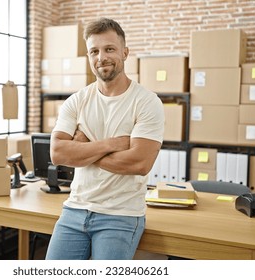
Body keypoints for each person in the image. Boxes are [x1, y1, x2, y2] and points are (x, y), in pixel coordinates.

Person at [45, 17, 165, 260]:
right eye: (94, 51)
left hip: (121, 214)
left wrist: (84, 150)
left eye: (109, 49)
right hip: (75, 209)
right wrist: (110, 144)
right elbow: (58, 154)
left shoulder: (146, 102)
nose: (102, 57)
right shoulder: (77, 100)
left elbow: (139, 164)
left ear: (124, 52)